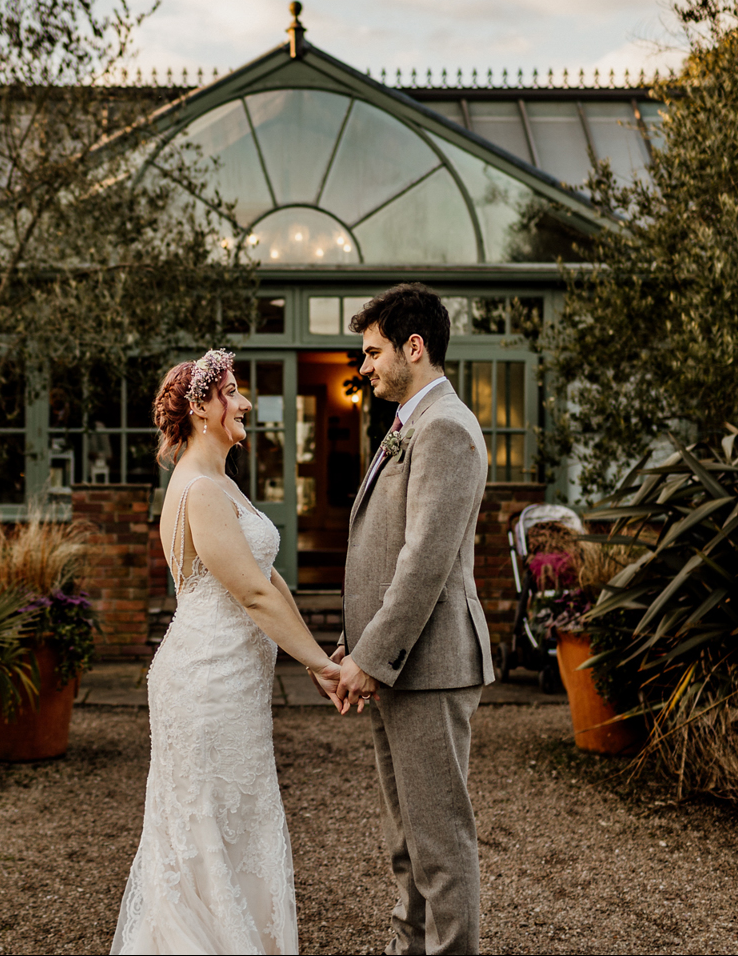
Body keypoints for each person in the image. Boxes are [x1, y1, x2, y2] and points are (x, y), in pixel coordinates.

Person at [111, 349, 345, 955]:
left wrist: (314, 654)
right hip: (208, 682)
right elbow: (251, 595)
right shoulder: (201, 489)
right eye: (233, 392)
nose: (244, 403)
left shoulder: (220, 482)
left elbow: (271, 581)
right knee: (206, 831)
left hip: (231, 682)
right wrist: (321, 665)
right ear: (200, 408)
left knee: (231, 824)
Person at [324, 283, 495, 955]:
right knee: (406, 843)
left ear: (413, 347)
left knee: (439, 843)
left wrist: (371, 656)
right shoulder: (407, 423)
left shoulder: (445, 427)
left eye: (373, 352)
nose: (364, 366)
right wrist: (355, 646)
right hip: (397, 666)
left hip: (430, 665)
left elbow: (424, 562)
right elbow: (384, 548)